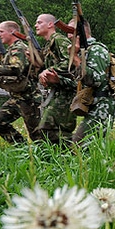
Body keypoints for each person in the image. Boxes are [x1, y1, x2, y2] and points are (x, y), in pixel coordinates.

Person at [0, 21, 42, 144]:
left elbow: (15, 70)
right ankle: (23, 149)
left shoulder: (19, 48)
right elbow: (9, 72)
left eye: (1, 31)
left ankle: (46, 159)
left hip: (28, 98)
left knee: (37, 135)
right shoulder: (11, 50)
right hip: (16, 98)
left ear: (12, 32)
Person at [66, 20, 115, 145]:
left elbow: (96, 80)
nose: (68, 35)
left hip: (102, 106)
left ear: (82, 32)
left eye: (71, 32)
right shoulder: (84, 51)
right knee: (87, 148)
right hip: (94, 105)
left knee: (79, 147)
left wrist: (75, 58)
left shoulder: (96, 49)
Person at [34, 13, 77, 145]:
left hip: (67, 91)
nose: (36, 25)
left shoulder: (59, 39)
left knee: (52, 129)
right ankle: (63, 159)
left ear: (50, 24)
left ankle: (78, 154)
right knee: (51, 130)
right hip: (57, 91)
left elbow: (71, 62)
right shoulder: (49, 44)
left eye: (39, 22)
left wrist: (49, 71)